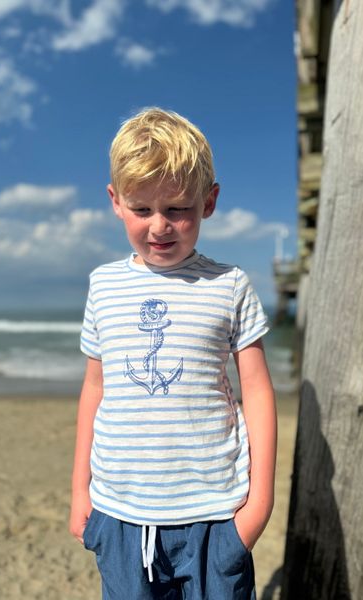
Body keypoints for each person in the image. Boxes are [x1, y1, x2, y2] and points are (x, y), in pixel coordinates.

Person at [69, 107, 277, 599]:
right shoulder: (103, 286)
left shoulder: (229, 285)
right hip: (120, 513)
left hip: (213, 513)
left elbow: (258, 390)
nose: (159, 226)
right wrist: (81, 492)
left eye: (177, 209)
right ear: (116, 202)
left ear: (209, 202)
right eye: (142, 209)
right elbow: (94, 389)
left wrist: (258, 506)